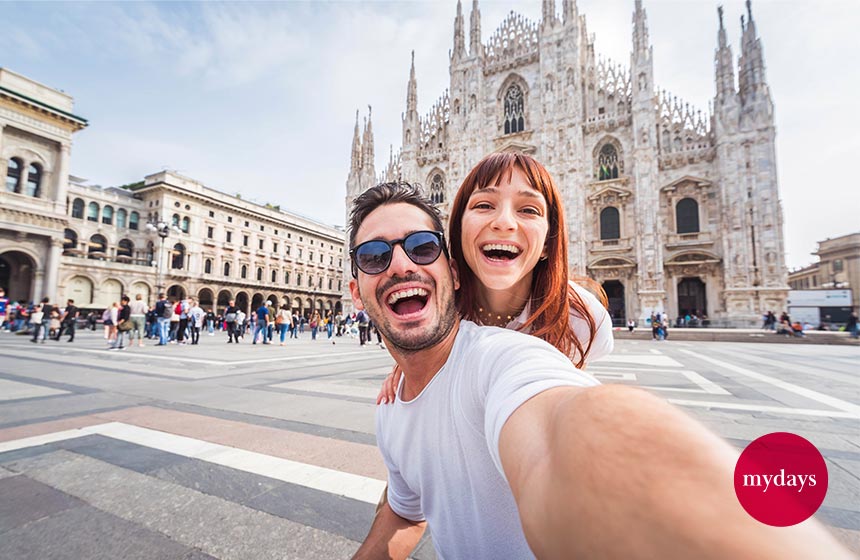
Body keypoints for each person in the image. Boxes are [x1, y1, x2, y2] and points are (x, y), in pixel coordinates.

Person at [347, 182, 851, 560]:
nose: (399, 265)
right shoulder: (393, 409)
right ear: (356, 291)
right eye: (373, 256)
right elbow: (404, 510)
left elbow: (561, 427)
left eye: (422, 247)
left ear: (452, 271)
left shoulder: (502, 360)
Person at [377, 152, 612, 402]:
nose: (504, 222)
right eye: (484, 205)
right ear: (457, 230)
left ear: (547, 243)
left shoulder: (581, 319)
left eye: (529, 209)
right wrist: (413, 362)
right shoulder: (433, 306)